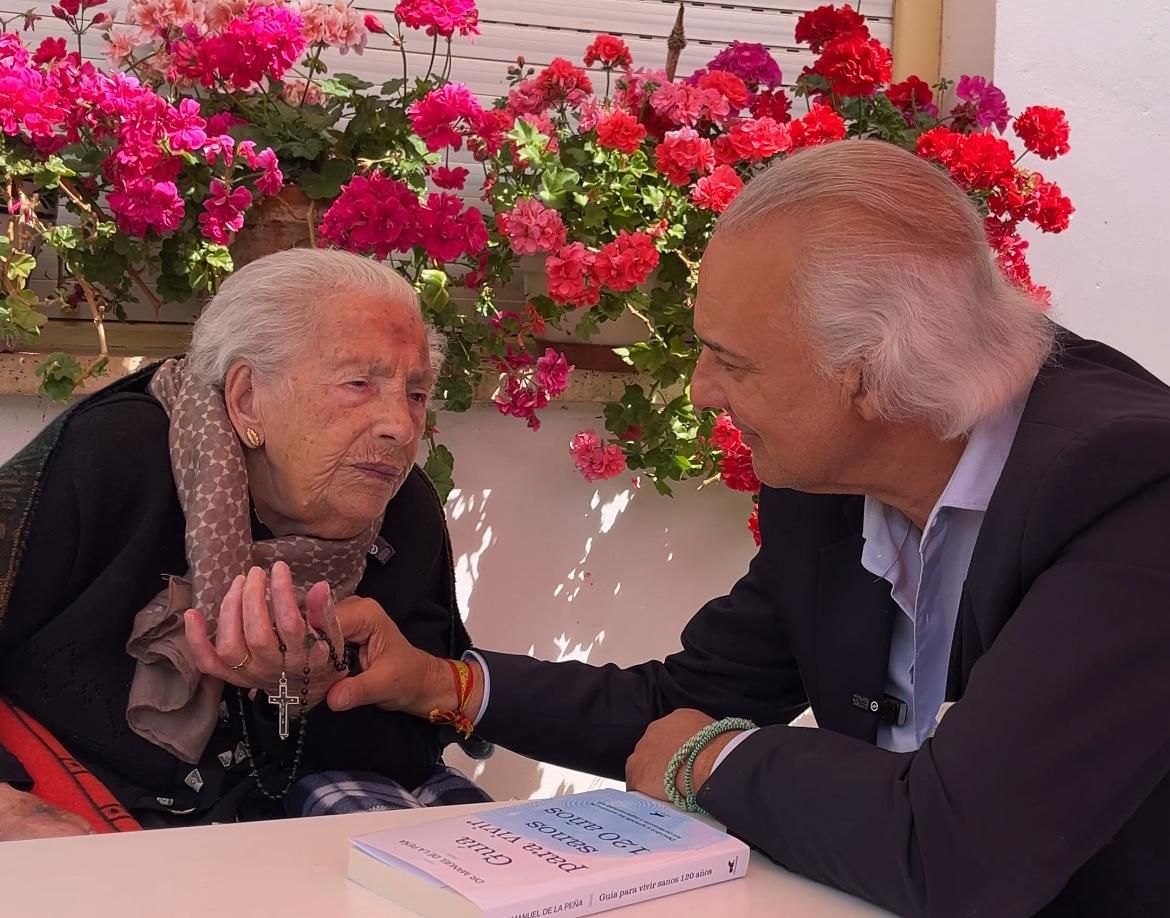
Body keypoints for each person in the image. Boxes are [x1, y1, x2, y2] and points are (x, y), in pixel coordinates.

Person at [322, 141, 1170, 917]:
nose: (700, 393)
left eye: (732, 360)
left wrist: (715, 762)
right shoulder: (833, 479)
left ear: (868, 371)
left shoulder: (1132, 487)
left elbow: (962, 848)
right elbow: (682, 705)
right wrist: (441, 683)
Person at [0, 248, 488, 841]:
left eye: (415, 393)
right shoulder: (117, 454)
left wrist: (310, 691)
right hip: (84, 806)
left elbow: (417, 737)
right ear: (248, 399)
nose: (401, 426)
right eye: (360, 383)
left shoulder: (402, 510)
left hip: (275, 828)